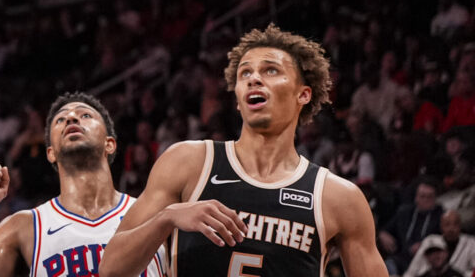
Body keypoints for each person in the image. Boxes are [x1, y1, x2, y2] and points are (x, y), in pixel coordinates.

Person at [99, 25, 388, 277]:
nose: (254, 78)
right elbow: (111, 268)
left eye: (271, 70)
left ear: (303, 94)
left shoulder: (337, 198)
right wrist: (167, 218)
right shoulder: (189, 163)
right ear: (238, 100)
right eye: (245, 72)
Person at [0, 92, 166, 277]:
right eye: (61, 119)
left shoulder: (154, 215)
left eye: (85, 115)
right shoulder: (23, 227)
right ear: (51, 153)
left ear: (109, 144)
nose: (71, 118)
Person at [404, 211, 475, 277]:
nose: (451, 228)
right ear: (441, 226)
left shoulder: (471, 242)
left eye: (455, 224)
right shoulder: (430, 241)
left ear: (460, 226)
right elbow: (412, 270)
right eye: (447, 224)